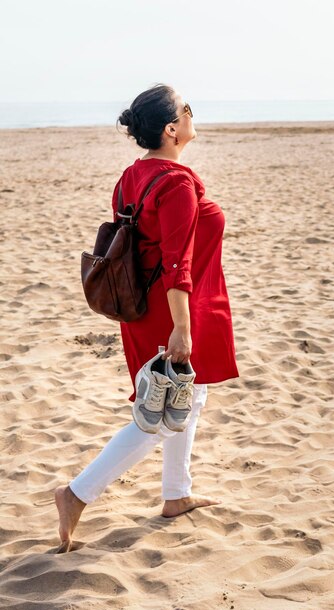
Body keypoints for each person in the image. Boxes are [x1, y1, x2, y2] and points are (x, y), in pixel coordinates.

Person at [54, 83, 239, 553]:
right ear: (172, 128)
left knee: (186, 399)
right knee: (157, 414)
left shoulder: (132, 175)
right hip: (170, 309)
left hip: (145, 307)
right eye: (187, 110)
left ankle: (176, 494)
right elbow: (177, 262)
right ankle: (77, 494)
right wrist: (182, 326)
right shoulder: (176, 182)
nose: (193, 115)